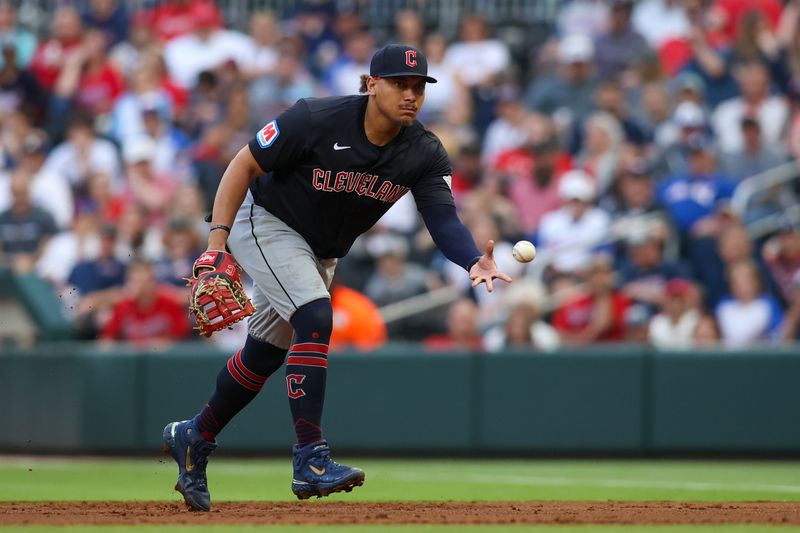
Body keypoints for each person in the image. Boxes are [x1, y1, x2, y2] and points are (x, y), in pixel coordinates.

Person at [162, 44, 511, 511]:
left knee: (265, 354)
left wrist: (472, 259)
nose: (410, 95)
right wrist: (215, 245)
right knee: (315, 315)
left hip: (318, 251)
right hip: (263, 221)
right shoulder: (314, 118)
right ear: (371, 85)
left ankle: (195, 435)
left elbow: (442, 219)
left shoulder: (424, 151)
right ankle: (311, 458)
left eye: (418, 87)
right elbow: (242, 165)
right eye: (398, 84)